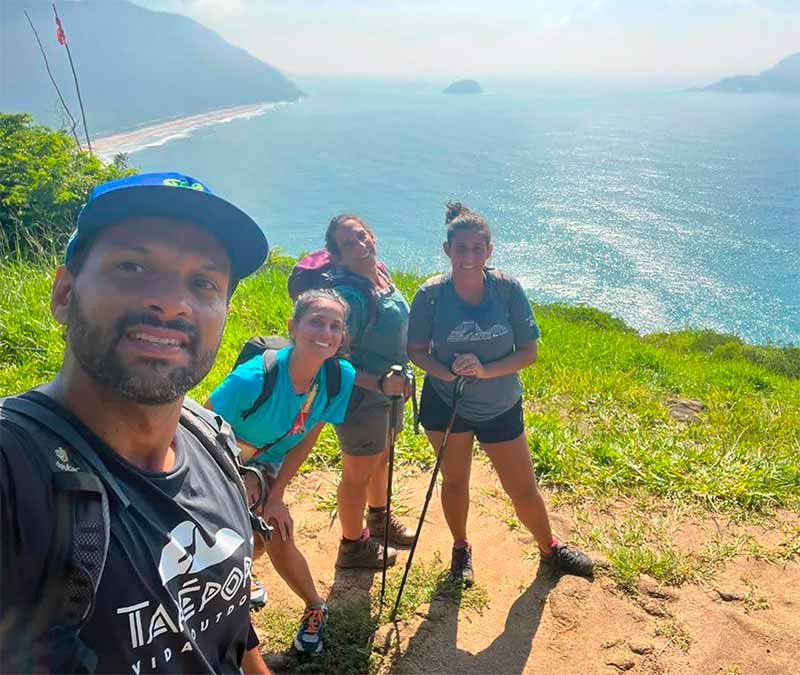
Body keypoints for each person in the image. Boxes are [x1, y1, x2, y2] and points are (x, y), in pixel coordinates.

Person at [0, 172, 272, 674]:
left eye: (202, 282)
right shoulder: (14, 471)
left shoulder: (212, 441)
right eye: (132, 266)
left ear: (224, 312)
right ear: (64, 294)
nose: (170, 302)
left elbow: (227, 628)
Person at [407, 202, 594, 587]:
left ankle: (549, 548)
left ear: (489, 250)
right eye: (461, 248)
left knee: (521, 485)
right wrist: (448, 373)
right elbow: (415, 350)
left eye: (478, 248)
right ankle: (461, 548)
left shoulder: (507, 290)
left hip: (499, 404)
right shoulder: (429, 295)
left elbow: (529, 352)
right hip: (447, 402)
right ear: (447, 250)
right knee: (455, 481)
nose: (470, 256)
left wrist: (484, 370)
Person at [207, 289, 355, 655]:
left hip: (267, 461)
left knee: (271, 525)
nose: (326, 332)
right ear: (293, 327)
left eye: (335, 325)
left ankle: (313, 606)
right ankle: (248, 603)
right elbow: (197, 427)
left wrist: (276, 494)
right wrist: (236, 479)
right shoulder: (252, 378)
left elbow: (308, 436)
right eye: (316, 322)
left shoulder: (339, 376)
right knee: (234, 534)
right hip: (221, 454)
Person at [323, 214, 415, 569]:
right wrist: (377, 383)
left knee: (382, 458)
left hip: (389, 392)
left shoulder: (381, 275)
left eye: (362, 236)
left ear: (372, 235)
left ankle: (378, 519)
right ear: (338, 257)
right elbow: (332, 359)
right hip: (362, 399)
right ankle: (352, 545)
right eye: (349, 244)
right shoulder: (349, 297)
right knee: (356, 474)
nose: (361, 246)